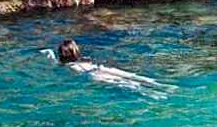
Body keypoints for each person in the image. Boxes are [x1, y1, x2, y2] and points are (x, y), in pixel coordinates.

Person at [43, 40, 176, 98]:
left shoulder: (64, 64)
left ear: (62, 54)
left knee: (125, 83)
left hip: (93, 74)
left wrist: (49, 52)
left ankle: (155, 94)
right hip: (99, 68)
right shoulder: (83, 58)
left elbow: (53, 61)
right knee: (131, 76)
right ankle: (161, 85)